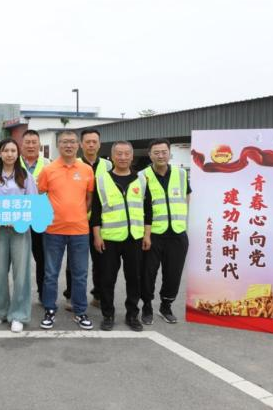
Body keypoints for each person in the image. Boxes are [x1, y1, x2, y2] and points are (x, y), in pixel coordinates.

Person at [38, 130, 95, 330]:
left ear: (78, 145)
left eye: (72, 142)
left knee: (80, 274)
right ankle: (49, 310)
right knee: (50, 273)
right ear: (58, 145)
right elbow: (40, 196)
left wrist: (76, 214)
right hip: (53, 230)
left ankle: (80, 311)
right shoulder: (48, 170)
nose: (68, 145)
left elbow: (89, 198)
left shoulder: (86, 170)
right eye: (64, 142)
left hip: (80, 230)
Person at [91, 141, 147, 332]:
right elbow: (96, 211)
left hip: (135, 238)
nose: (123, 157)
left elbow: (147, 210)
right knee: (107, 279)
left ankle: (132, 315)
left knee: (134, 279)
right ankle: (108, 315)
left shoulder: (141, 179)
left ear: (132, 156)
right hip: (109, 239)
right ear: (112, 156)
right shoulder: (102, 180)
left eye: (126, 154)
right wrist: (97, 236)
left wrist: (147, 235)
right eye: (119, 154)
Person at [0, 138, 38, 333]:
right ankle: (1, 311)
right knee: (1, 272)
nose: (9, 154)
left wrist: (19, 219)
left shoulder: (25, 176)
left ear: (18, 154)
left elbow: (33, 203)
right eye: (6, 150)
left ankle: (19, 315)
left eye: (13, 151)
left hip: (20, 230)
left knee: (21, 273)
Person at [139, 138, 191, 325]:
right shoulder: (142, 176)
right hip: (152, 234)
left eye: (164, 152)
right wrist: (145, 233)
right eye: (156, 152)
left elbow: (187, 196)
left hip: (177, 233)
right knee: (148, 274)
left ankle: (166, 306)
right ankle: (147, 306)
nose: (161, 155)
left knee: (173, 274)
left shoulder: (181, 174)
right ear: (150, 155)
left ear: (170, 153)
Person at [64, 128, 114, 309]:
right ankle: (71, 296)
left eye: (94, 142)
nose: (91, 145)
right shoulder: (73, 164)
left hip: (101, 222)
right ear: (81, 144)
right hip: (78, 221)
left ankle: (98, 296)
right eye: (87, 142)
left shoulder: (108, 165)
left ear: (99, 144)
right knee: (74, 262)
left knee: (101, 261)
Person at [19, 129, 50, 303]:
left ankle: (43, 293)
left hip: (40, 219)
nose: (31, 146)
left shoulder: (48, 164)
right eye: (27, 142)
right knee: (20, 260)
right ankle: (20, 296)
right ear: (21, 144)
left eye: (34, 142)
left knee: (42, 258)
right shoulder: (12, 162)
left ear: (39, 145)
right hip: (18, 219)